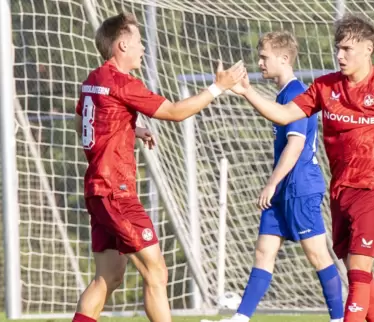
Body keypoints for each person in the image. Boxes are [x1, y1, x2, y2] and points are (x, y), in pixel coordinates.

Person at [230, 14, 374, 322]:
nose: (339, 55)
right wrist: (247, 91)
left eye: (347, 49)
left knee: (357, 271)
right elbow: (283, 114)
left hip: (373, 190)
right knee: (357, 271)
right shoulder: (325, 87)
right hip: (340, 192)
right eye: (337, 48)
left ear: (368, 49)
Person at [72, 12, 245, 322]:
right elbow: (176, 112)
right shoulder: (122, 83)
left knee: (108, 277)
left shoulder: (93, 80)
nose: (143, 48)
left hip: (97, 191)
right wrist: (218, 88)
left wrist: (128, 129)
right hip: (117, 192)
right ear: (122, 45)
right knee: (156, 271)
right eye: (139, 42)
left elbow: (82, 123)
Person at [203, 31, 343, 322]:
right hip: (283, 190)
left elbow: (296, 145)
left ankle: (339, 318)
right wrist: (243, 90)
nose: (260, 62)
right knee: (263, 252)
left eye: (264, 56)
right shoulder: (282, 94)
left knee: (318, 257)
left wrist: (271, 183)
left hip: (300, 187)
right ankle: (240, 319)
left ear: (284, 58)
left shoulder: (297, 94)